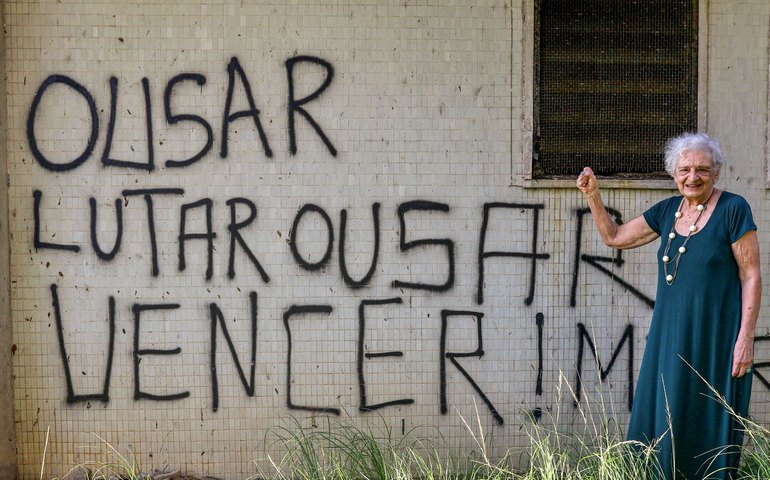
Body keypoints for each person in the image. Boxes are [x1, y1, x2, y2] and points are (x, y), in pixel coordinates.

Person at [576, 132, 761, 480]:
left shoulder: (734, 209)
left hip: (716, 336)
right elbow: (614, 237)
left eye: (703, 170)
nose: (693, 177)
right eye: (685, 169)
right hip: (669, 334)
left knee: (707, 413)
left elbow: (751, 275)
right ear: (673, 173)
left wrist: (745, 339)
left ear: (716, 172)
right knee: (665, 410)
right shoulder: (667, 211)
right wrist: (593, 196)